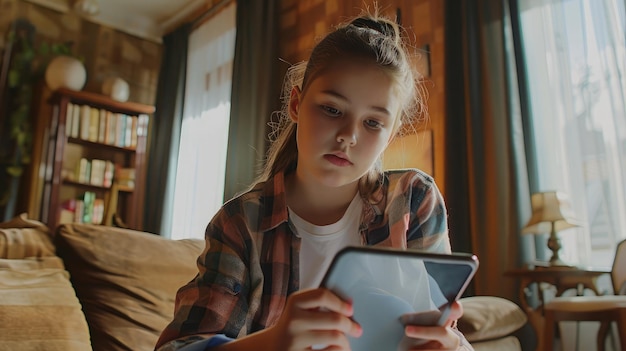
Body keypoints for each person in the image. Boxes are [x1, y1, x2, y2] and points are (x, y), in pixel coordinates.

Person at [156, 9, 474, 351]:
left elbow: (448, 334)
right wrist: (275, 342)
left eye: (372, 123)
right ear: (296, 104)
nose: (348, 136)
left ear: (392, 132)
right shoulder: (241, 224)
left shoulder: (413, 199)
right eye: (332, 109)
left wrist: (452, 346)